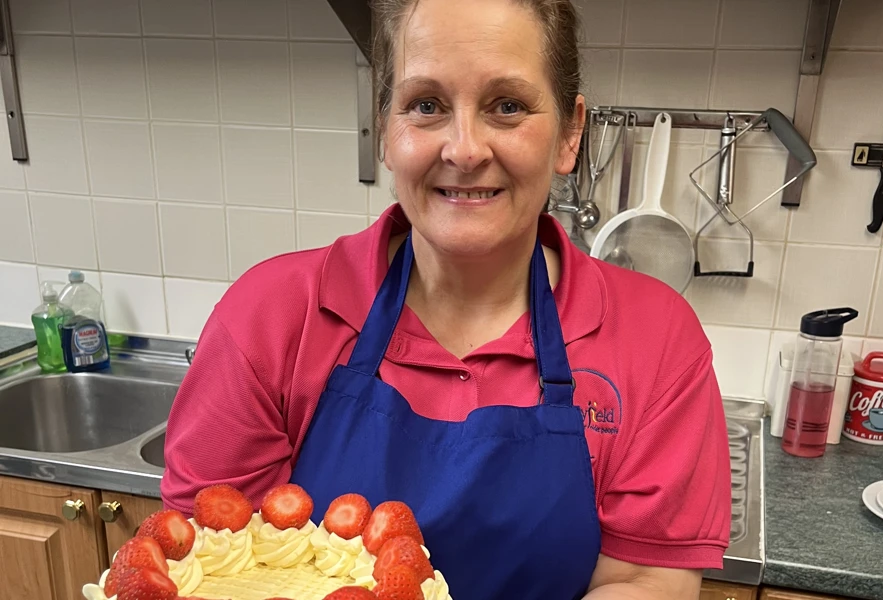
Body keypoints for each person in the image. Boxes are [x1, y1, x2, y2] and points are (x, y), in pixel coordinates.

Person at [161, 0, 732, 598]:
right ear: (384, 128)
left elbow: (644, 580)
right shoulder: (272, 317)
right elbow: (213, 564)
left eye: (507, 106)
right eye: (426, 105)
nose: (464, 151)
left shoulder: (657, 339)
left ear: (569, 134)